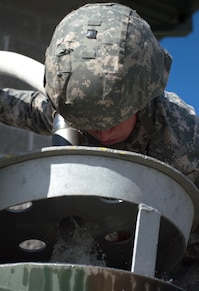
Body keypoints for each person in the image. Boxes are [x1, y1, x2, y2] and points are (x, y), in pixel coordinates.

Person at [0, 3, 198, 189]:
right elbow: (16, 107)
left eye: (113, 122)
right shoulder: (74, 110)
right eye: (90, 125)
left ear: (142, 102)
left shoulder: (184, 138)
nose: (103, 134)